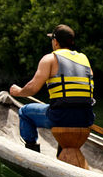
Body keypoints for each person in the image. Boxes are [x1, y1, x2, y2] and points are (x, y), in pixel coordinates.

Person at [8, 24, 95, 152]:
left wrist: (18, 92)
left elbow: (32, 88)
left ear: (55, 42)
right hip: (86, 117)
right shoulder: (84, 59)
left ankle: (32, 151)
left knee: (24, 112)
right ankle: (61, 151)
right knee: (61, 111)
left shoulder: (50, 59)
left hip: (60, 116)